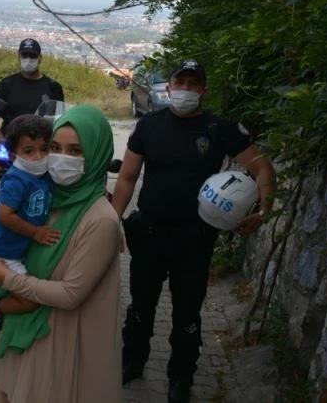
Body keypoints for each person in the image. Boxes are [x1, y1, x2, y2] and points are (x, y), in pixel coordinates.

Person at [112, 59, 277, 403]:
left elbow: (261, 167)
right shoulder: (149, 126)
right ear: (169, 87)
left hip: (196, 238)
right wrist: (112, 222)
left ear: (203, 90)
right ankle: (132, 361)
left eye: (192, 83)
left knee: (187, 312)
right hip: (149, 232)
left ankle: (181, 377)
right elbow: (127, 177)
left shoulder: (220, 129)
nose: (185, 89)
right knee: (140, 305)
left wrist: (263, 210)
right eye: (180, 82)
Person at [0, 104, 122, 403]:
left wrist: (6, 279)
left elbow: (70, 295)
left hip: (62, 349)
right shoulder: (50, 198)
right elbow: (14, 235)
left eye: (75, 151)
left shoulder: (101, 220)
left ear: (95, 156)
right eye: (55, 147)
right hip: (26, 344)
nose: (58, 158)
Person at [0, 114, 59, 333]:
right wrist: (35, 232)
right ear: (14, 155)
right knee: (29, 300)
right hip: (3, 252)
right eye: (29, 151)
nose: (38, 157)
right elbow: (5, 215)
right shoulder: (17, 179)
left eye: (44, 149)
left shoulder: (44, 176)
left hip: (17, 249)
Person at [0, 38, 64, 141]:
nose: (28, 59)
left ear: (40, 58)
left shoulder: (53, 87)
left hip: (41, 149)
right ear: (19, 57)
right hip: (11, 147)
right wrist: (4, 145)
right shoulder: (7, 84)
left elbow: (59, 124)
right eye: (24, 55)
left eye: (32, 56)